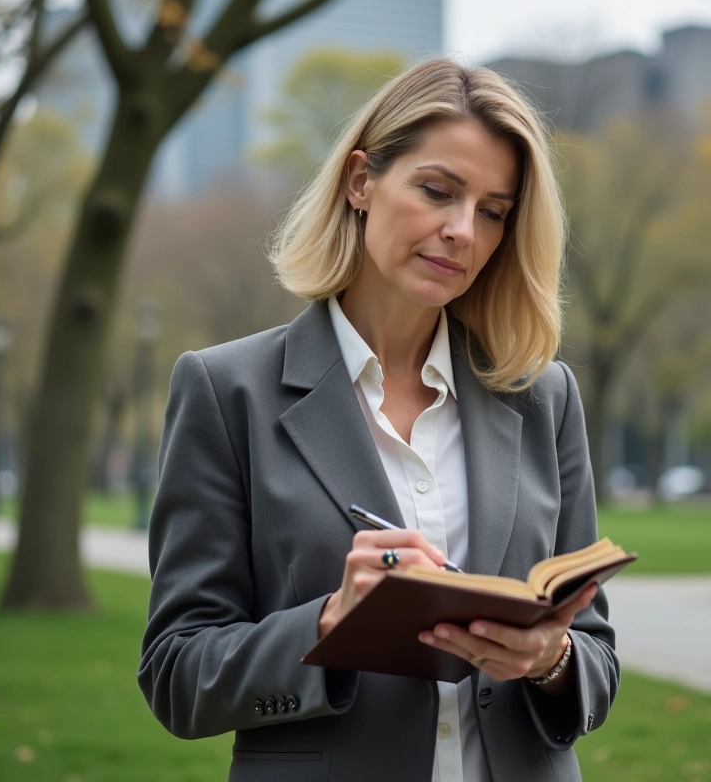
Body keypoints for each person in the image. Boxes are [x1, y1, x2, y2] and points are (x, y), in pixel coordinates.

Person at [138, 57, 618, 782]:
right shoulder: (226, 390)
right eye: (437, 190)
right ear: (361, 181)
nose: (463, 230)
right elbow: (178, 674)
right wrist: (332, 622)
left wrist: (551, 658)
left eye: (493, 211)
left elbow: (597, 658)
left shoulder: (542, 397)